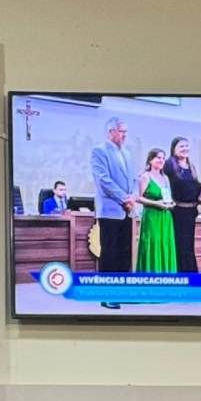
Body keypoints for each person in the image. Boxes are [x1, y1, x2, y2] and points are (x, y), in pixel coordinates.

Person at [90, 115, 136, 282]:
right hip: (110, 210)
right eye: (122, 131)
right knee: (110, 252)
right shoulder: (99, 151)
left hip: (128, 211)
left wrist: (133, 196)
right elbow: (103, 180)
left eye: (126, 131)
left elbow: (133, 180)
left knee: (125, 252)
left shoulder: (127, 153)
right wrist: (125, 199)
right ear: (111, 132)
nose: (125, 135)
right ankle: (108, 289)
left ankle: (122, 287)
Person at [133, 148, 176, 274]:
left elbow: (167, 197)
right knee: (153, 243)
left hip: (166, 217)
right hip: (152, 216)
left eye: (163, 158)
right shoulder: (145, 177)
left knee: (165, 243)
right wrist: (156, 203)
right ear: (150, 160)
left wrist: (172, 203)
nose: (161, 160)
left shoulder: (165, 178)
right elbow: (138, 198)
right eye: (158, 157)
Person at [164, 136, 201, 272]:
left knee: (189, 245)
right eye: (181, 146)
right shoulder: (169, 165)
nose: (185, 148)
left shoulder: (191, 166)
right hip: (177, 211)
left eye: (186, 146)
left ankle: (191, 274)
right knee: (181, 244)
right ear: (173, 149)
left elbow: (195, 187)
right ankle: (182, 274)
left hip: (191, 211)